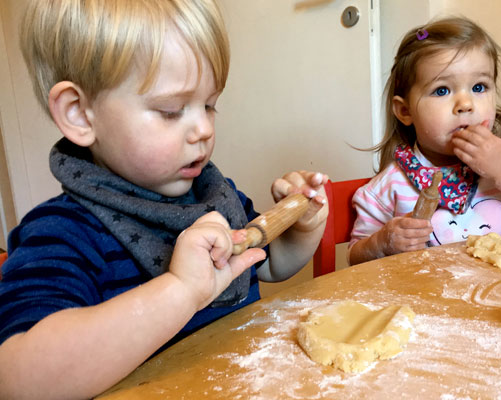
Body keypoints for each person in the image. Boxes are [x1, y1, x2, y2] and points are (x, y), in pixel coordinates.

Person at [0, 1, 328, 398]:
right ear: (80, 114)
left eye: (210, 105)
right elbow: (19, 379)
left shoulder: (212, 195)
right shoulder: (63, 233)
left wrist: (302, 227)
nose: (204, 129)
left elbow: (269, 265)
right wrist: (181, 290)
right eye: (172, 111)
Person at [348, 16, 501, 266]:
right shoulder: (391, 185)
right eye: (442, 90)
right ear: (405, 112)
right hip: (427, 299)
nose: (466, 104)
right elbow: (355, 259)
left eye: (479, 87)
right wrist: (382, 244)